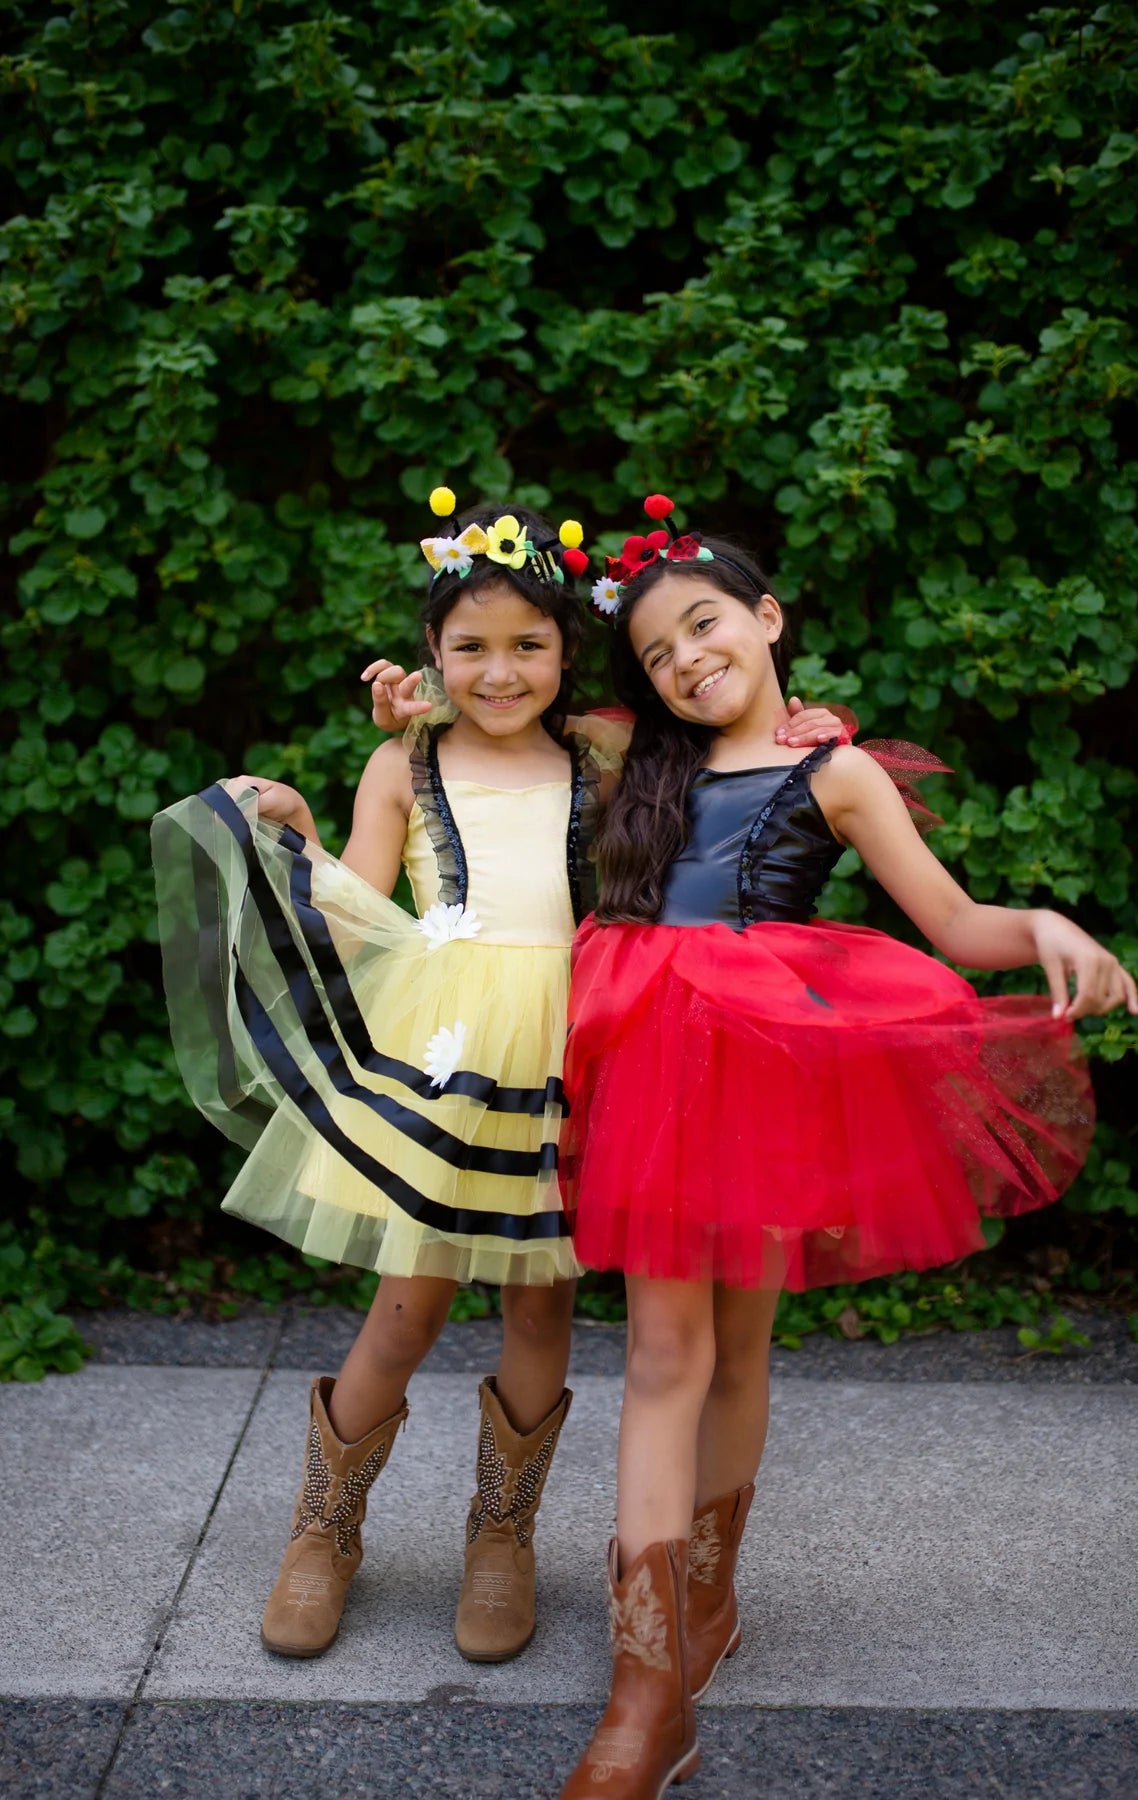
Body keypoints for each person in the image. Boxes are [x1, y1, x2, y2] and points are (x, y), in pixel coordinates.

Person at [150, 490, 843, 1671]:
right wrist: (302, 824)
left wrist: (811, 721)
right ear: (429, 656)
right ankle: (325, 1528)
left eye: (529, 645)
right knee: (408, 1304)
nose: (501, 670)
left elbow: (715, 737)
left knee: (541, 1305)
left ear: (569, 653)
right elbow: (364, 908)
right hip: (450, 1056)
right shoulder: (401, 764)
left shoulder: (606, 750)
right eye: (469, 647)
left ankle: (501, 1535)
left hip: (579, 1052)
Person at [556, 495, 1138, 1799]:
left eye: (706, 625)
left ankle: (707, 1598)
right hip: (649, 1065)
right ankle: (644, 1698)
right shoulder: (626, 759)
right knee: (665, 1350)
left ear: (765, 619)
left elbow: (951, 917)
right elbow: (499, 669)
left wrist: (1041, 921)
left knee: (741, 1343)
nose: (687, 660)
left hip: (770, 1072)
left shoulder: (838, 771)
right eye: (656, 651)